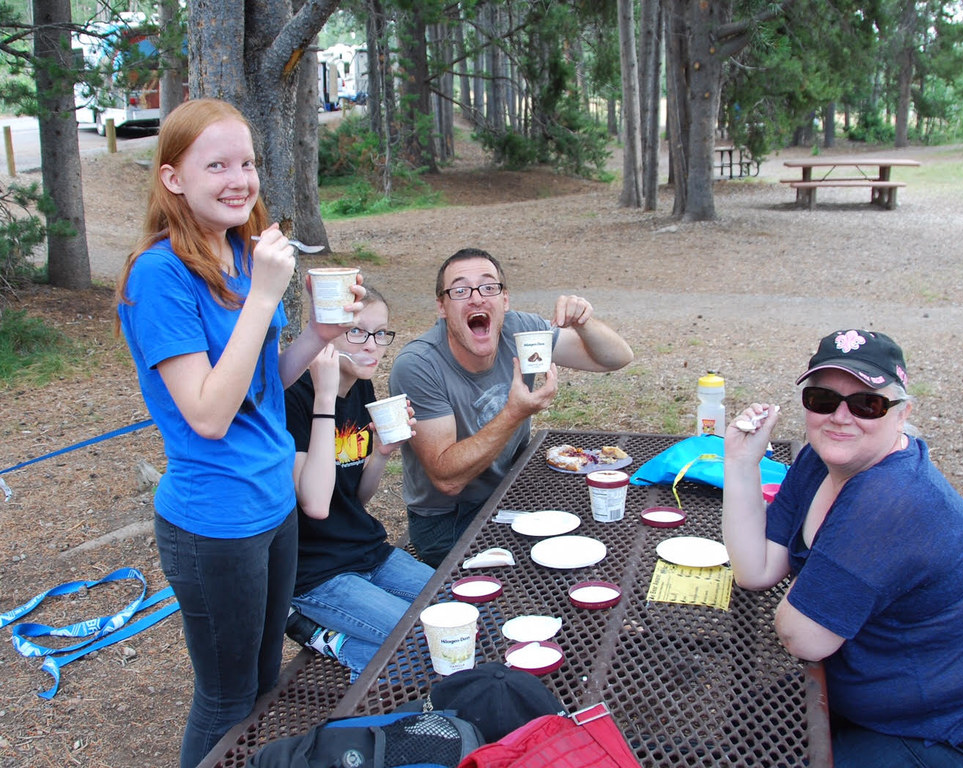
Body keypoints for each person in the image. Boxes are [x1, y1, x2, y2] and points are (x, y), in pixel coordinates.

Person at [116, 98, 362, 768]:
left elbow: (254, 391)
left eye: (247, 163)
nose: (239, 178)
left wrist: (316, 336)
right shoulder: (159, 275)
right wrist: (263, 298)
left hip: (272, 504)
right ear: (173, 179)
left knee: (262, 686)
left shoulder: (240, 256)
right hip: (214, 522)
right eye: (216, 163)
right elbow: (206, 413)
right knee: (226, 700)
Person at [722, 329, 963, 768]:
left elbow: (801, 636)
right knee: (748, 727)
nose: (840, 417)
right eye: (822, 399)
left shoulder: (894, 499)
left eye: (867, 404)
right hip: (881, 695)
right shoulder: (819, 460)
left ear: (902, 414)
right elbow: (755, 569)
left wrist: (818, 580)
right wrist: (741, 463)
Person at [388, 247, 634, 566]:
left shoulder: (521, 332)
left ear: (505, 300)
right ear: (442, 307)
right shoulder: (419, 366)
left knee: (600, 536)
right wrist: (515, 413)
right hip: (449, 523)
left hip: (513, 488)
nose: (477, 298)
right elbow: (447, 480)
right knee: (547, 567)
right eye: (460, 290)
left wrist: (584, 323)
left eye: (489, 287)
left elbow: (616, 358)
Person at [283, 285, 434, 679]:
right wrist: (325, 398)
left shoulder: (361, 387)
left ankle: (346, 645)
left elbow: (354, 498)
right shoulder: (294, 398)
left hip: (367, 551)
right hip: (315, 571)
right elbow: (312, 502)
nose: (372, 346)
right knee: (422, 641)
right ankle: (324, 637)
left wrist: (382, 453)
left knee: (464, 613)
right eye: (357, 332)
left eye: (381, 333)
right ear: (328, 333)